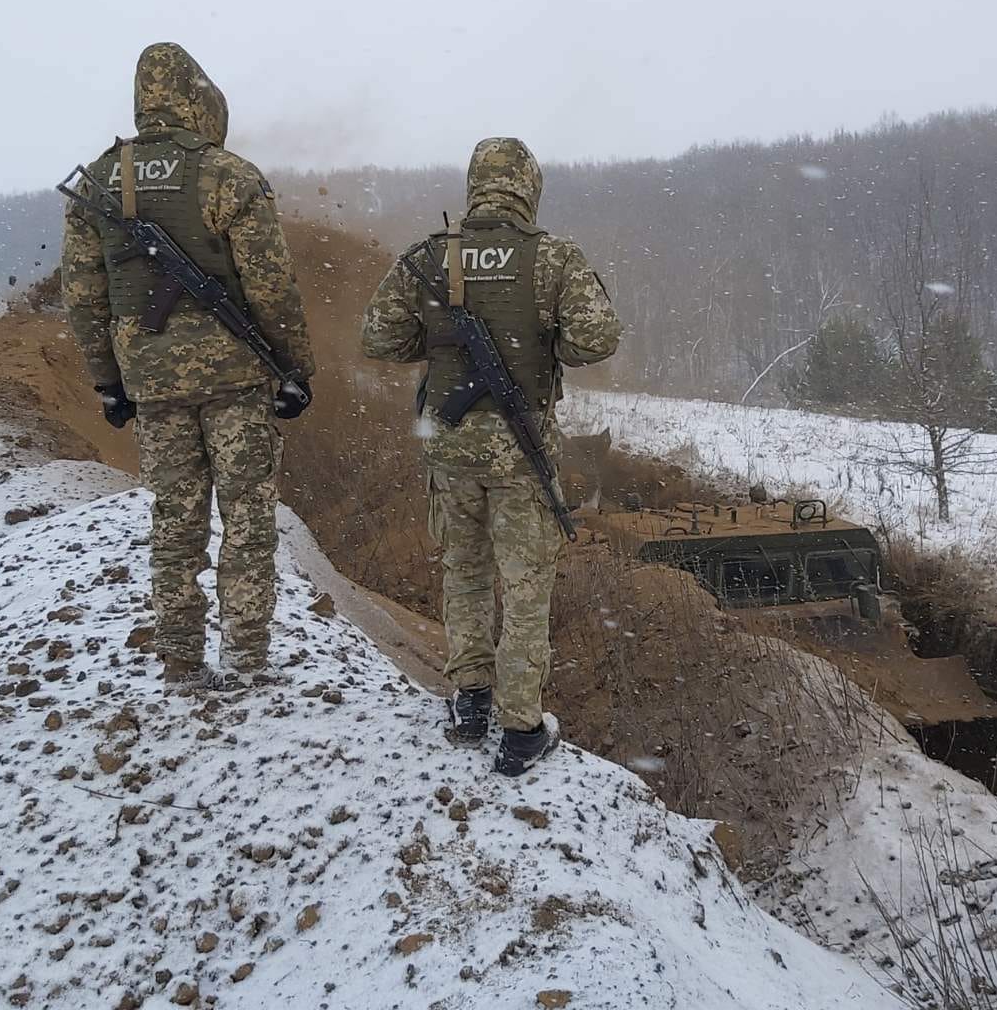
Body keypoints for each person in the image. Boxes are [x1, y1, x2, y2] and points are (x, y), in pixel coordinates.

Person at [361, 137, 621, 775]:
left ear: (475, 185)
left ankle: (470, 700)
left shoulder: (433, 258)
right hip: (520, 460)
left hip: (449, 454)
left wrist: (439, 330)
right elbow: (597, 339)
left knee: (466, 573)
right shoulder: (553, 259)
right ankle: (521, 727)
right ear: (529, 188)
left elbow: (379, 336)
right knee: (526, 587)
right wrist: (544, 332)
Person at [61, 42, 315, 689]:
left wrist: (108, 383)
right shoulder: (227, 175)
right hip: (235, 383)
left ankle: (180, 659)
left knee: (176, 524)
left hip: (152, 385)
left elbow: (84, 296)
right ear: (199, 98)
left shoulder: (100, 183)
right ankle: (247, 661)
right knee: (248, 523)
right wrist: (294, 367)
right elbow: (271, 287)